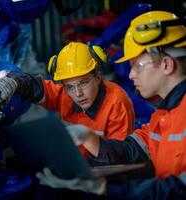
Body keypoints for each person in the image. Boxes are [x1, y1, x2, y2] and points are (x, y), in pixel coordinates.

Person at [36, 10, 186, 199]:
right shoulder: (163, 115)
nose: (131, 75)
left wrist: (106, 189)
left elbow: (178, 190)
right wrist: (88, 138)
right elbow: (133, 150)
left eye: (137, 65)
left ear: (166, 64)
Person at [0, 42, 135, 158]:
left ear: (97, 78)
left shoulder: (116, 101)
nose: (78, 94)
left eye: (83, 83)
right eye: (70, 87)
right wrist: (12, 82)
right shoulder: (65, 96)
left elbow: (120, 157)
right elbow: (34, 86)